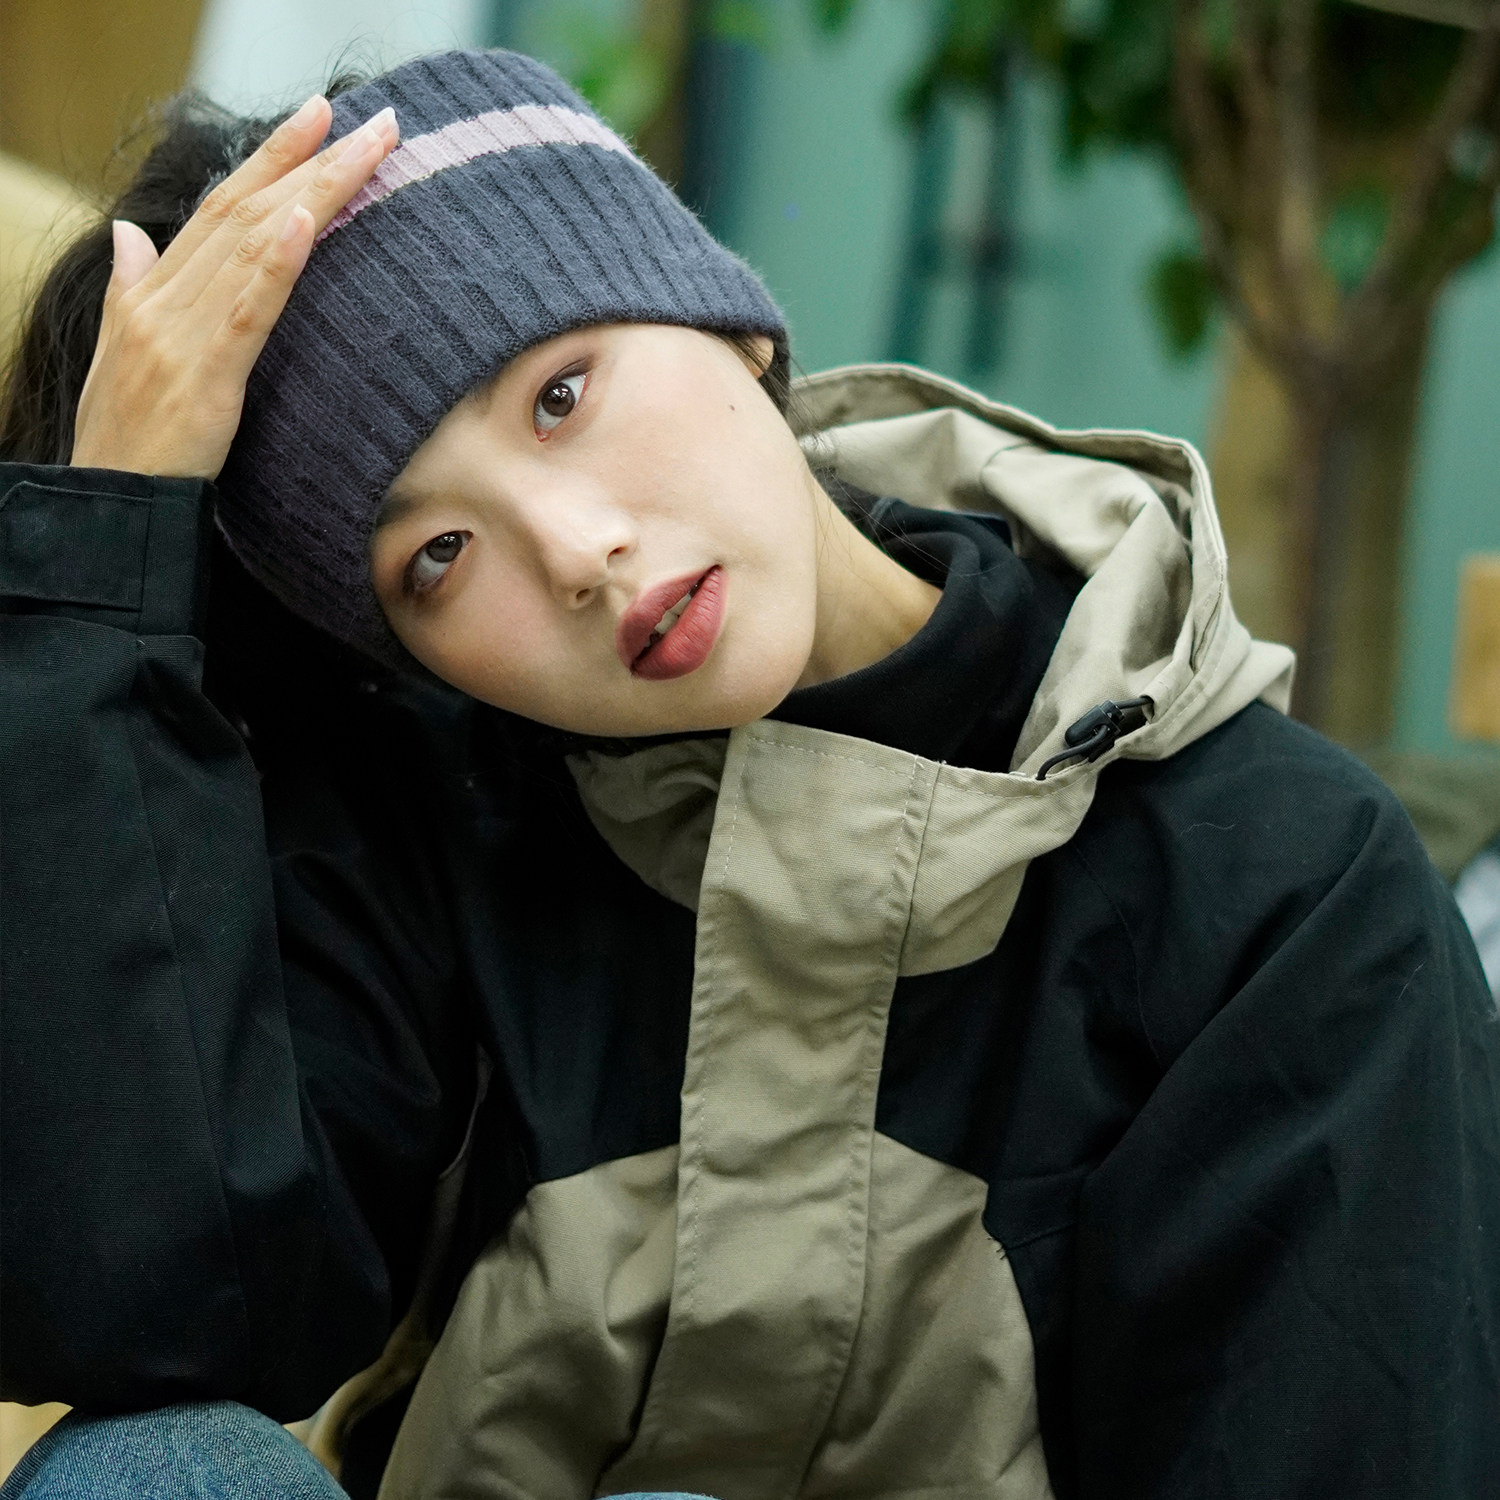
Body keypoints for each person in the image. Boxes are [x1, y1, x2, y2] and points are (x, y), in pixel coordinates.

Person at [2, 46, 1497, 1500]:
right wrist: (101, 569)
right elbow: (155, 1310)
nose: (577, 553)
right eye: (438, 556)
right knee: (136, 1474)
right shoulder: (450, 811)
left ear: (728, 323)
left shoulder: (1286, 886)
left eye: (561, 396)